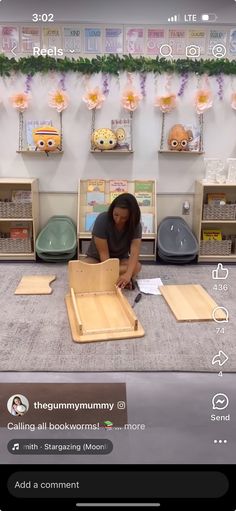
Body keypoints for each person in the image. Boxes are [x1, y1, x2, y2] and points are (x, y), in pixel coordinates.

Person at [85, 192, 142, 289]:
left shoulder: (135, 225)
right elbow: (104, 255)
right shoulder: (102, 220)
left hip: (119, 260)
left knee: (137, 266)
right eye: (116, 215)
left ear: (131, 217)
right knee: (82, 269)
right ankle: (118, 279)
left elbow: (134, 252)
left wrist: (128, 274)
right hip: (98, 260)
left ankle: (112, 278)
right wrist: (119, 273)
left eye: (124, 218)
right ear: (112, 210)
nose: (118, 220)